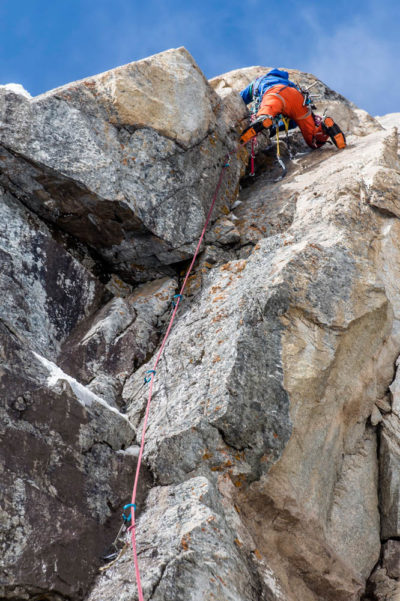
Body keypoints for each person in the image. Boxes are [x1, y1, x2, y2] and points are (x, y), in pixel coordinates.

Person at [239, 68, 346, 149]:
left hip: (274, 93)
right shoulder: (290, 83)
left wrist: (273, 128)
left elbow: (240, 98)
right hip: (297, 97)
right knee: (312, 139)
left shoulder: (260, 80)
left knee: (269, 107)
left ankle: (263, 117)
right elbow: (294, 122)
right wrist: (278, 128)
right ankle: (323, 127)